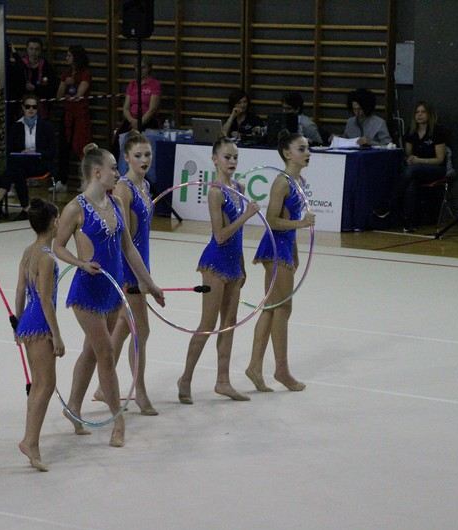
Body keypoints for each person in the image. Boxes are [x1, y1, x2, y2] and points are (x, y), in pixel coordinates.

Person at [53, 143, 164, 448]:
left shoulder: (115, 204)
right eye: (113, 167)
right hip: (87, 290)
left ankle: (73, 408)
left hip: (115, 290)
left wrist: (150, 284)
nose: (117, 173)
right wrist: (80, 263)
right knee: (106, 353)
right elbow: (58, 245)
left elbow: (129, 249)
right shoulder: (76, 208)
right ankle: (118, 419)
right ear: (97, 172)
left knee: (92, 351)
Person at [177, 137, 261, 404]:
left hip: (234, 265)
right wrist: (246, 215)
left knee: (229, 325)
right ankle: (186, 378)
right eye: (227, 157)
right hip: (215, 263)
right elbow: (221, 235)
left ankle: (223, 381)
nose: (232, 162)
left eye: (235, 157)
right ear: (214, 159)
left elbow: (238, 237)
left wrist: (243, 265)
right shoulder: (215, 192)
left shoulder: (238, 187)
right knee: (208, 324)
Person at [92, 132, 158, 415]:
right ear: (127, 158)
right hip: (129, 270)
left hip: (141, 262)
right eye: (138, 155)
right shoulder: (124, 190)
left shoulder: (145, 186)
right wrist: (143, 279)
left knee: (122, 329)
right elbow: (124, 240)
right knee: (141, 330)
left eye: (148, 154)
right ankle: (138, 390)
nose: (144, 160)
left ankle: (101, 388)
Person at [247, 131, 315, 393]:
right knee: (283, 309)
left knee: (272, 307)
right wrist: (302, 224)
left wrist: (296, 250)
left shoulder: (297, 181)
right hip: (275, 247)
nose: (307, 153)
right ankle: (281, 369)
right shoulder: (282, 183)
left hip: (285, 247)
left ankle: (254, 366)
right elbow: (272, 220)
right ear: (287, 153)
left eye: (308, 149)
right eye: (301, 149)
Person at [13, 198, 64, 472]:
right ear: (52, 222)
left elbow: (20, 290)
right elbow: (46, 300)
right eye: (57, 218)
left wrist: (17, 324)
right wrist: (57, 335)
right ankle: (30, 441)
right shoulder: (45, 257)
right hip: (41, 323)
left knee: (39, 385)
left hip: (29, 322)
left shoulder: (28, 251)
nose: (60, 223)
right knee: (45, 385)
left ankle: (29, 440)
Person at [374, 101, 447, 231]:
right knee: (411, 180)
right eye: (417, 112)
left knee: (412, 171)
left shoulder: (437, 131)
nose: (419, 115)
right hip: (415, 170)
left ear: (429, 114)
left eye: (423, 112)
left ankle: (388, 204)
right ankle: (409, 222)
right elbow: (408, 154)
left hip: (435, 169)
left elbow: (440, 159)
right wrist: (409, 159)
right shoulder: (411, 131)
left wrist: (419, 160)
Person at [0, 95, 57, 220]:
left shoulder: (46, 127)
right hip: (22, 163)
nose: (31, 109)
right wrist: (22, 152)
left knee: (15, 168)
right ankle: (25, 208)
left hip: (40, 163)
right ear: (23, 108)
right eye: (28, 106)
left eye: (34, 107)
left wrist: (35, 151)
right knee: (18, 168)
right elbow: (10, 151)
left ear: (37, 109)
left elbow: (52, 151)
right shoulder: (16, 127)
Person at [55, 45, 92, 194]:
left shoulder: (85, 74)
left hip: (80, 115)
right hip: (67, 114)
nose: (66, 58)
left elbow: (79, 94)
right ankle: (61, 181)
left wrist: (72, 83)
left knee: (82, 148)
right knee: (63, 147)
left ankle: (85, 182)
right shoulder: (66, 73)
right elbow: (58, 95)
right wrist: (65, 83)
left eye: (69, 55)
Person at [112, 57, 161, 159]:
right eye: (137, 67)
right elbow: (126, 107)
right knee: (117, 141)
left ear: (149, 69)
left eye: (143, 67)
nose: (140, 70)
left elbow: (152, 109)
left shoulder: (154, 84)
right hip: (132, 119)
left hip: (147, 119)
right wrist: (132, 120)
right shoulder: (132, 85)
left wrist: (140, 123)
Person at [20, 37, 57, 118]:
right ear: (27, 49)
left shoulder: (46, 67)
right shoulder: (20, 65)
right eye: (31, 49)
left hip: (41, 106)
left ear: (41, 51)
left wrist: (35, 88)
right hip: (22, 105)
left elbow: (52, 87)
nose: (34, 52)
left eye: (37, 49)